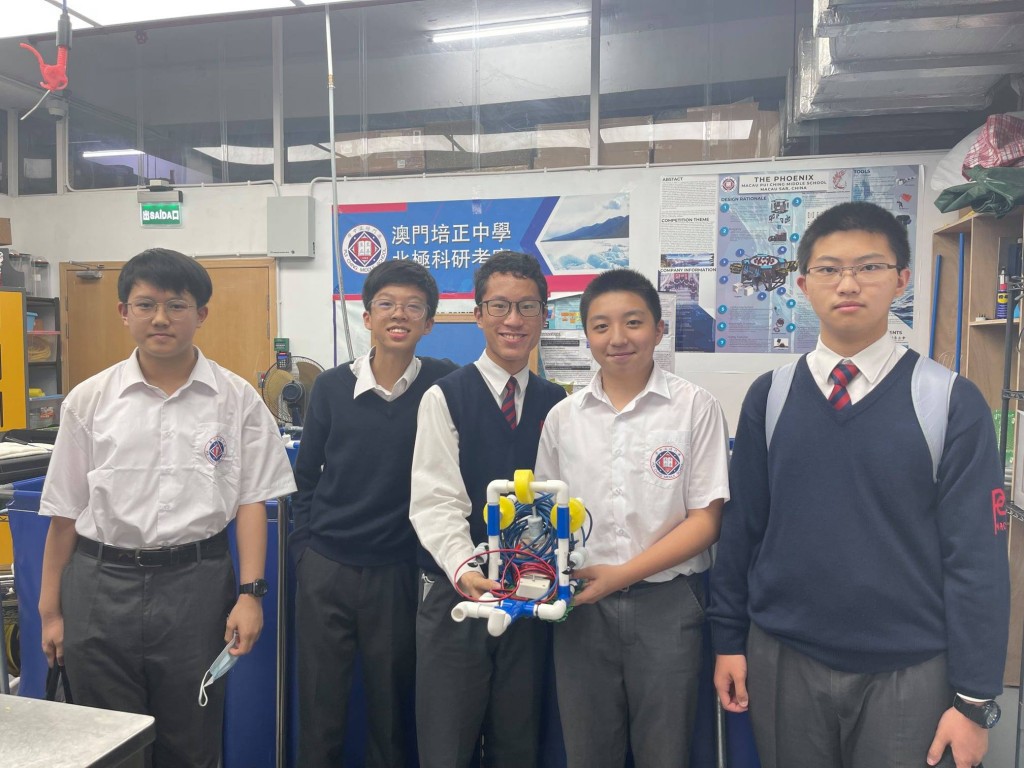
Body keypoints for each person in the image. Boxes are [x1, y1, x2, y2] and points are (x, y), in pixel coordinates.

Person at [708, 201, 1010, 768]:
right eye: (828, 269)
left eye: (870, 267)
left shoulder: (948, 400)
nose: (848, 284)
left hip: (909, 669)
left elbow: (978, 558)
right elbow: (742, 527)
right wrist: (728, 638)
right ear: (803, 285)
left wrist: (974, 699)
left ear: (901, 279)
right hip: (783, 655)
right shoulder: (770, 396)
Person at [37, 248, 296, 768]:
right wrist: (50, 612)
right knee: (107, 743)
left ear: (201, 313)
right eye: (146, 304)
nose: (161, 318)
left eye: (176, 305)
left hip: (196, 586)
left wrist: (250, 596)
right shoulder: (89, 400)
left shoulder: (236, 399)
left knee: (191, 741)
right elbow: (64, 513)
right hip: (99, 586)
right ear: (123, 312)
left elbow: (251, 502)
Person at [534, 268, 730, 767]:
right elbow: (547, 516)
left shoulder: (695, 408)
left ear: (659, 330)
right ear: (587, 336)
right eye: (601, 326)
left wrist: (620, 576)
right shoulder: (563, 417)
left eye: (633, 322)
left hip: (669, 605)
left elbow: (706, 521)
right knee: (588, 752)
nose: (617, 338)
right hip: (581, 608)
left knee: (665, 752)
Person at [291, 260, 456, 767]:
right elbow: (306, 477)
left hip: (397, 570)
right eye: (386, 304)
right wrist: (305, 553)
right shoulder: (331, 386)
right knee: (320, 703)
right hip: (327, 567)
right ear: (367, 318)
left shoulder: (444, 384)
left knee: (391, 709)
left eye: (413, 307)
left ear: (429, 323)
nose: (398, 315)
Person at [409, 250, 567, 768]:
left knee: (518, 745)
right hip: (458, 596)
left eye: (527, 307)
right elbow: (435, 500)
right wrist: (467, 570)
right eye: (499, 306)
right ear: (478, 314)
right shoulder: (445, 397)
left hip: (529, 599)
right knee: (447, 746)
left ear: (543, 316)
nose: (513, 320)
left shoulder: (558, 403)